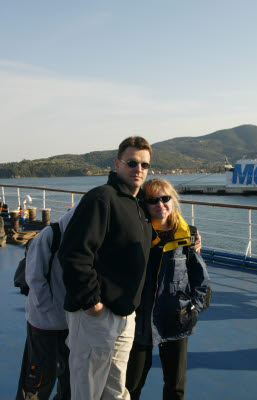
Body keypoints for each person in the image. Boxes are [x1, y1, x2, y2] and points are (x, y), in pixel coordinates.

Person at [58, 137, 153, 400]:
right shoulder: (102, 198)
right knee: (87, 391)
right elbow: (74, 254)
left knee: (115, 389)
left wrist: (192, 236)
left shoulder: (137, 205)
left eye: (145, 165)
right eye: (132, 163)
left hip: (125, 317)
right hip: (96, 317)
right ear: (117, 164)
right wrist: (92, 303)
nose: (139, 169)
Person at [126, 178, 210, 400]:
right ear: (144, 203)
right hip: (141, 317)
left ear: (173, 199)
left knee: (175, 385)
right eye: (153, 200)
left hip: (175, 316)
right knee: (131, 383)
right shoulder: (137, 232)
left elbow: (199, 278)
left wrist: (193, 308)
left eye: (165, 198)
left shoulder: (188, 235)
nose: (160, 204)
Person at [15, 203, 80, 400]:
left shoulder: (84, 240)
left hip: (71, 323)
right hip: (45, 324)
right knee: (39, 376)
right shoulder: (50, 236)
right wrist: (48, 311)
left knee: (70, 377)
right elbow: (35, 278)